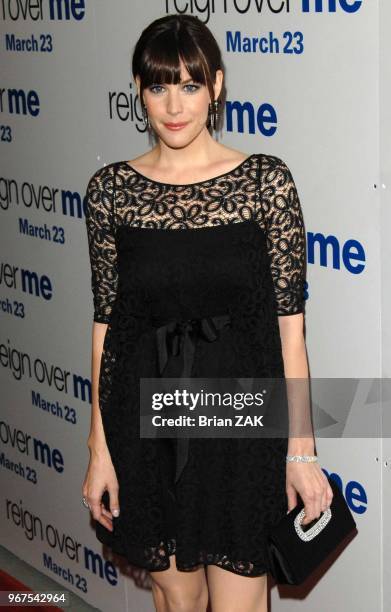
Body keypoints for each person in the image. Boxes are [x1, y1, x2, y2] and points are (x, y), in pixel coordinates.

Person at [82, 13, 333, 612]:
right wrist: (100, 448)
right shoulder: (110, 192)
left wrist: (301, 451)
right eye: (159, 86)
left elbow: (290, 334)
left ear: (216, 86)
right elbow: (106, 328)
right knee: (178, 600)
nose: (175, 105)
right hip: (149, 425)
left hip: (243, 425)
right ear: (139, 90)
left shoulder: (266, 184)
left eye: (190, 85)